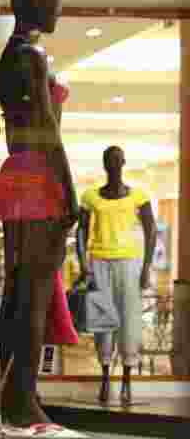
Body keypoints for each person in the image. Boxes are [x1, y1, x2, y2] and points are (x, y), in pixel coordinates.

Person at [0, 0, 78, 426]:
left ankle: (14, 397)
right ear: (33, 5)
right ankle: (22, 401)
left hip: (17, 174)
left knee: (17, 293)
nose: (59, 12)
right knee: (34, 296)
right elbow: (47, 129)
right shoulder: (32, 56)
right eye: (54, 4)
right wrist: (71, 189)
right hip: (40, 178)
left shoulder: (10, 55)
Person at [77, 146, 156, 405]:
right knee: (102, 321)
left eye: (117, 159)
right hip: (99, 262)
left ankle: (127, 380)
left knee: (129, 320)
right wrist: (83, 264)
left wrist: (146, 267)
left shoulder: (138, 196)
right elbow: (82, 230)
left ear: (123, 162)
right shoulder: (91, 196)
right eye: (108, 160)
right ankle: (105, 377)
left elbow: (151, 230)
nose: (113, 164)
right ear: (104, 164)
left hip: (129, 262)